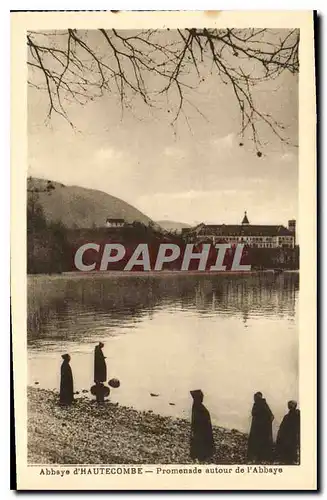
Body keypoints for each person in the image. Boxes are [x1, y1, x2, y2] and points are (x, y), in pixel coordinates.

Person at [247, 391, 274, 463]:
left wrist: (263, 423)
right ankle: (260, 456)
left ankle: (258, 456)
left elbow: (270, 416)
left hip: (259, 428)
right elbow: (271, 416)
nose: (254, 398)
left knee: (257, 442)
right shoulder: (263, 404)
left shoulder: (260, 404)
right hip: (260, 428)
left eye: (255, 397)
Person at [190, 390, 215, 462]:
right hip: (201, 429)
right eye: (201, 396)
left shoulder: (196, 405)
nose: (203, 397)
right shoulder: (198, 406)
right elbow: (198, 420)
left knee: (200, 441)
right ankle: (201, 454)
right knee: (201, 441)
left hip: (200, 428)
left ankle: (200, 454)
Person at [276, 400, 300, 464]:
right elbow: (282, 426)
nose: (289, 406)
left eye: (291, 404)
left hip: (292, 434)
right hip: (287, 435)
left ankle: (290, 459)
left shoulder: (297, 415)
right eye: (289, 405)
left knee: (291, 447)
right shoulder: (287, 416)